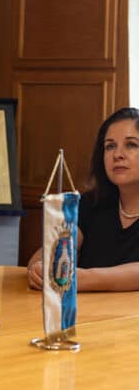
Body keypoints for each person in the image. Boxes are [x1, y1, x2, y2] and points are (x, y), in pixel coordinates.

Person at [28, 107, 139, 291]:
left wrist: (83, 279)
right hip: (86, 309)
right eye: (110, 146)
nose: (117, 154)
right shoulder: (90, 204)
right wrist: (38, 270)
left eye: (131, 145)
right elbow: (45, 256)